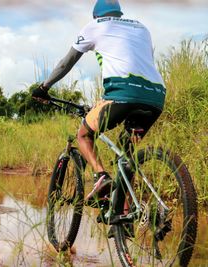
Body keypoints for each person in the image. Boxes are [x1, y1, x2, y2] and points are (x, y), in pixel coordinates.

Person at [32, 0, 166, 204]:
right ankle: (125, 211)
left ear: (96, 16)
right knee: (125, 155)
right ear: (119, 14)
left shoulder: (95, 26)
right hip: (155, 96)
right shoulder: (142, 28)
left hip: (122, 94)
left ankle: (101, 176)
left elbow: (65, 63)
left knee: (84, 135)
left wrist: (44, 88)